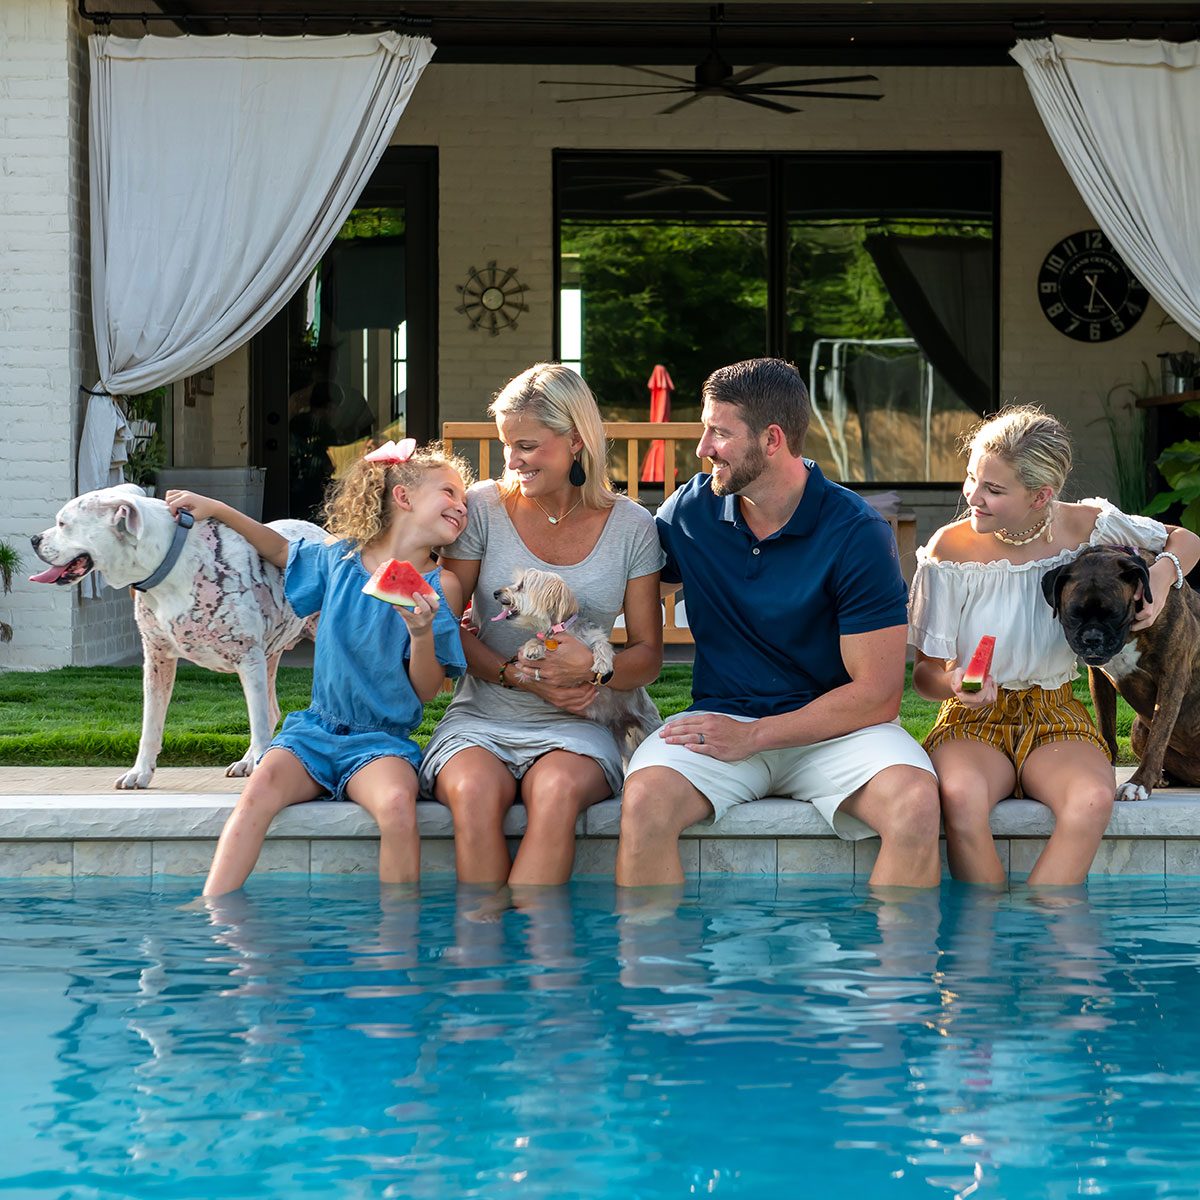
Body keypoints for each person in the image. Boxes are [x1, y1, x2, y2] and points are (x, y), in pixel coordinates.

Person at [617, 357, 942, 891]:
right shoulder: (693, 511)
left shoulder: (856, 532)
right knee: (647, 802)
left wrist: (757, 736)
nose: (702, 448)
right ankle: (659, 971)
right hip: (723, 722)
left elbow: (879, 695)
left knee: (914, 805)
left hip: (836, 732)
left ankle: (891, 976)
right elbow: (621, 575)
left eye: (719, 432)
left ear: (772, 439)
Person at [909, 404, 1200, 886]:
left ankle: (1046, 931)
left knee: (1092, 799)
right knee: (960, 797)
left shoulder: (1090, 526)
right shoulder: (947, 550)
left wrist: (1163, 576)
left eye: (993, 489)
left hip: (1054, 711)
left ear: (1041, 495)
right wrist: (952, 681)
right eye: (971, 479)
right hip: (972, 719)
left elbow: (1185, 540)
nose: (972, 498)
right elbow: (923, 675)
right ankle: (982, 938)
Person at [165, 439, 471, 897]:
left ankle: (396, 942)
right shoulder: (340, 559)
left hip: (382, 741)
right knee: (259, 788)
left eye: (464, 500)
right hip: (315, 730)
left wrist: (422, 634)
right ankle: (213, 910)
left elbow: (427, 691)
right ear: (403, 497)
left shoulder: (439, 585)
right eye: (449, 492)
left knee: (397, 806)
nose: (461, 506)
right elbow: (279, 549)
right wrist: (218, 508)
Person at [422, 363, 665, 887]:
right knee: (472, 795)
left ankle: (541, 957)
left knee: (554, 794)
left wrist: (594, 674)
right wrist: (514, 674)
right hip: (483, 715)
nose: (513, 461)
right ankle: (482, 951)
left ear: (575, 439)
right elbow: (447, 619)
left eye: (527, 446)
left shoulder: (632, 527)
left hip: (580, 725)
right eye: (507, 445)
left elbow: (647, 655)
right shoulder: (483, 508)